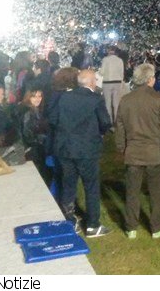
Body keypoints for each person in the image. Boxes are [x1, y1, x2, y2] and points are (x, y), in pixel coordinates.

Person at [50, 69, 112, 237]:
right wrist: (99, 132)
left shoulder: (64, 97)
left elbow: (53, 119)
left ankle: (69, 221)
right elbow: (105, 122)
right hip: (86, 150)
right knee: (91, 187)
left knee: (68, 184)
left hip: (65, 148)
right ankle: (92, 225)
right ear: (92, 82)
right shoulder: (95, 99)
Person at [116, 63, 160, 240]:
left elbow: (120, 127)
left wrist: (122, 148)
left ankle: (131, 227)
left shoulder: (126, 100)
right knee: (156, 192)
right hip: (154, 152)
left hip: (133, 151)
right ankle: (156, 227)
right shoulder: (159, 99)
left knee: (132, 191)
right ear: (150, 79)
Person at [20, 89, 52, 185]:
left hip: (37, 148)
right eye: (34, 96)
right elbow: (27, 134)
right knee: (39, 177)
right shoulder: (28, 112)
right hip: (33, 150)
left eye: (39, 96)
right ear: (28, 98)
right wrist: (43, 138)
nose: (38, 99)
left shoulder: (36, 110)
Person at [100, 45, 125, 126]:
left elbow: (102, 72)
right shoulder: (120, 60)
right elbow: (122, 73)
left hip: (107, 82)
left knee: (108, 102)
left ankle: (109, 121)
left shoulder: (105, 59)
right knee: (116, 103)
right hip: (117, 82)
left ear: (109, 51)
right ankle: (117, 121)